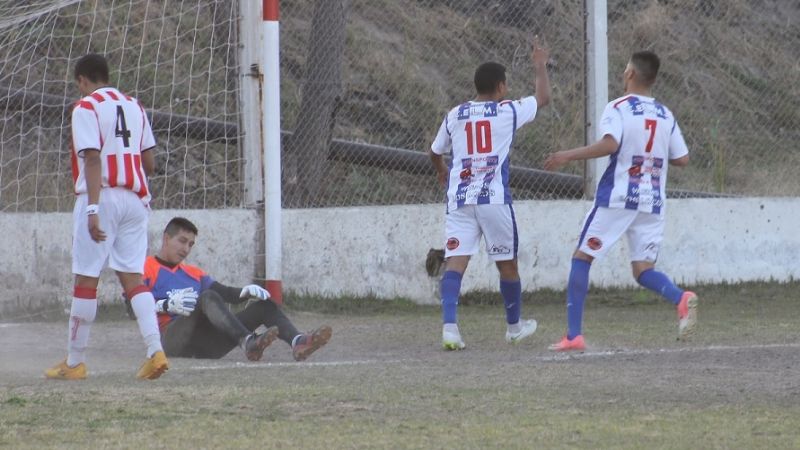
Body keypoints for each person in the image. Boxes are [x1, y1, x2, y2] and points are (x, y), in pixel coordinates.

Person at [543, 50, 697, 352]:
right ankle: (680, 298)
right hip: (652, 201)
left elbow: (610, 143)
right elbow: (682, 158)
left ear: (629, 74)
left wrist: (567, 155)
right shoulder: (666, 114)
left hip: (618, 196)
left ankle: (574, 335)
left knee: (582, 257)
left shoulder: (618, 107)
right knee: (643, 270)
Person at [46, 53, 168, 380]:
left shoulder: (85, 107)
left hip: (103, 197)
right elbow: (151, 164)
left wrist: (93, 209)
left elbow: (92, 158)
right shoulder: (135, 106)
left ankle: (74, 363)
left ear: (82, 80)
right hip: (136, 200)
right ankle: (155, 351)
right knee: (133, 279)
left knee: (86, 277)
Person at [428, 37, 551, 350]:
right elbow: (543, 98)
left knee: (455, 262)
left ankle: (450, 329)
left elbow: (434, 150)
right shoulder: (507, 112)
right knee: (506, 264)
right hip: (494, 200)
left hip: (459, 199)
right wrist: (540, 65)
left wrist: (442, 170)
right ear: (500, 87)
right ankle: (514, 328)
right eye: (506, 85)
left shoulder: (455, 114)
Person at [142, 217, 332, 362]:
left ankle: (298, 342)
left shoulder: (194, 273)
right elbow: (132, 309)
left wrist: (244, 292)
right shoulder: (145, 267)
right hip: (171, 342)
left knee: (265, 306)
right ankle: (248, 342)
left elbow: (224, 294)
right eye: (182, 241)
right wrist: (163, 305)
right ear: (166, 238)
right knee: (206, 296)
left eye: (190, 244)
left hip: (207, 345)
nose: (186, 248)